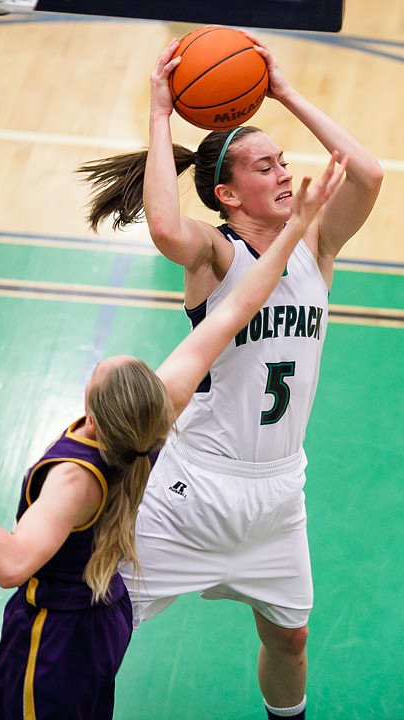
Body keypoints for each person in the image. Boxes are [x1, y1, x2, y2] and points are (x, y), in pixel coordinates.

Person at [0, 153, 344, 720]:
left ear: (93, 411)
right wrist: (295, 228)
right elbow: (238, 307)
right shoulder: (161, 408)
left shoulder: (75, 478)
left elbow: (12, 564)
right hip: (110, 612)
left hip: (59, 641)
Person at [77, 33, 383, 720]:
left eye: (284, 162)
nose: (283, 174)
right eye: (264, 166)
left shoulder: (315, 247)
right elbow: (162, 224)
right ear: (226, 192)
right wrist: (160, 113)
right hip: (192, 491)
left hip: (279, 495)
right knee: (94, 620)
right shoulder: (216, 255)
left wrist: (285, 91)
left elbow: (367, 174)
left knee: (291, 639)